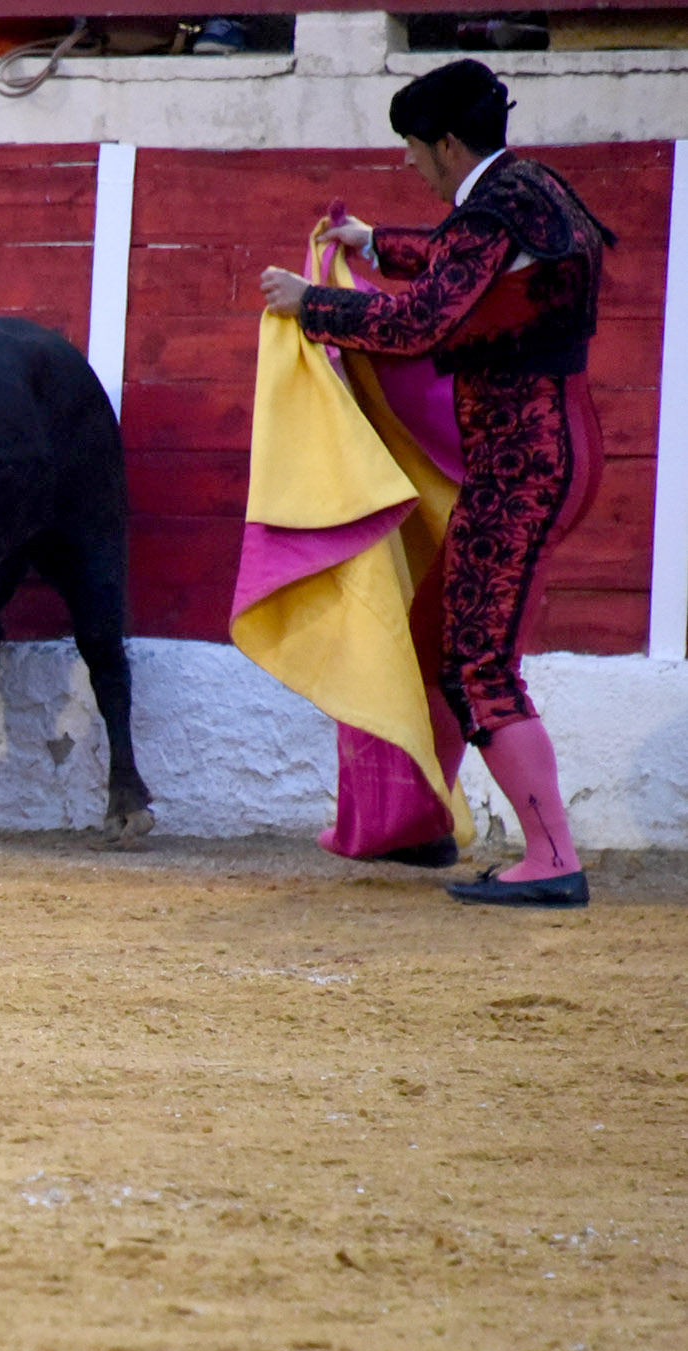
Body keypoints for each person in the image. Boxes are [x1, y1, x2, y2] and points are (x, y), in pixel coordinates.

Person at [258, 58, 613, 909]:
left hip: (520, 459)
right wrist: (373, 243)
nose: (411, 165)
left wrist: (312, 304)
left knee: (478, 660)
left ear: (448, 144)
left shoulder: (493, 208)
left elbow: (421, 321)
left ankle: (552, 858)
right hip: (548, 441)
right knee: (438, 636)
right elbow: (463, 262)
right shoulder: (534, 190)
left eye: (415, 150)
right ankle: (416, 821)